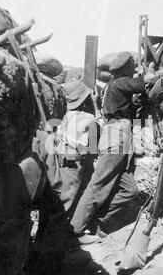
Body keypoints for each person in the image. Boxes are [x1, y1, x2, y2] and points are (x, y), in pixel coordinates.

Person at [70, 52, 152, 238]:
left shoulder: (111, 85)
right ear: (127, 68)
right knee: (98, 186)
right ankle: (75, 230)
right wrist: (151, 73)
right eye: (133, 66)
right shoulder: (121, 83)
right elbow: (146, 81)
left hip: (116, 139)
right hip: (116, 139)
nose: (135, 69)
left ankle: (98, 222)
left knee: (130, 190)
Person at [36, 77, 104, 249]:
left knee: (53, 206)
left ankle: (40, 244)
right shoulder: (89, 118)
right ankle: (52, 253)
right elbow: (94, 145)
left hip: (59, 162)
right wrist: (96, 108)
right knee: (64, 209)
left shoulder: (64, 115)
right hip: (73, 165)